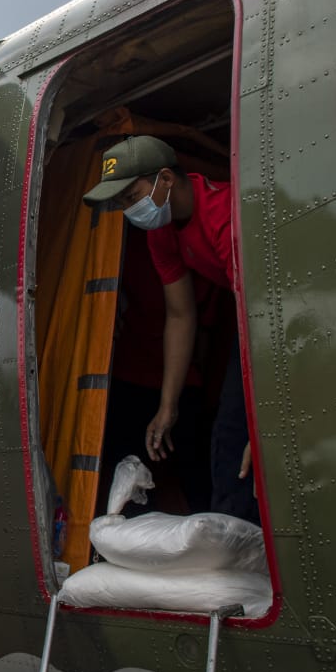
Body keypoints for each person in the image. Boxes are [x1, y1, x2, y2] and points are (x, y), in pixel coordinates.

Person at [83, 135, 259, 524]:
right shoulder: (161, 231)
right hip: (252, 317)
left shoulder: (225, 214)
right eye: (122, 203)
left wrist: (265, 414)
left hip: (266, 317)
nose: (128, 210)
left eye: (131, 197)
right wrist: (168, 406)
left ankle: (245, 564)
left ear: (165, 179)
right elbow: (180, 315)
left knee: (237, 442)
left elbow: (261, 310)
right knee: (227, 441)